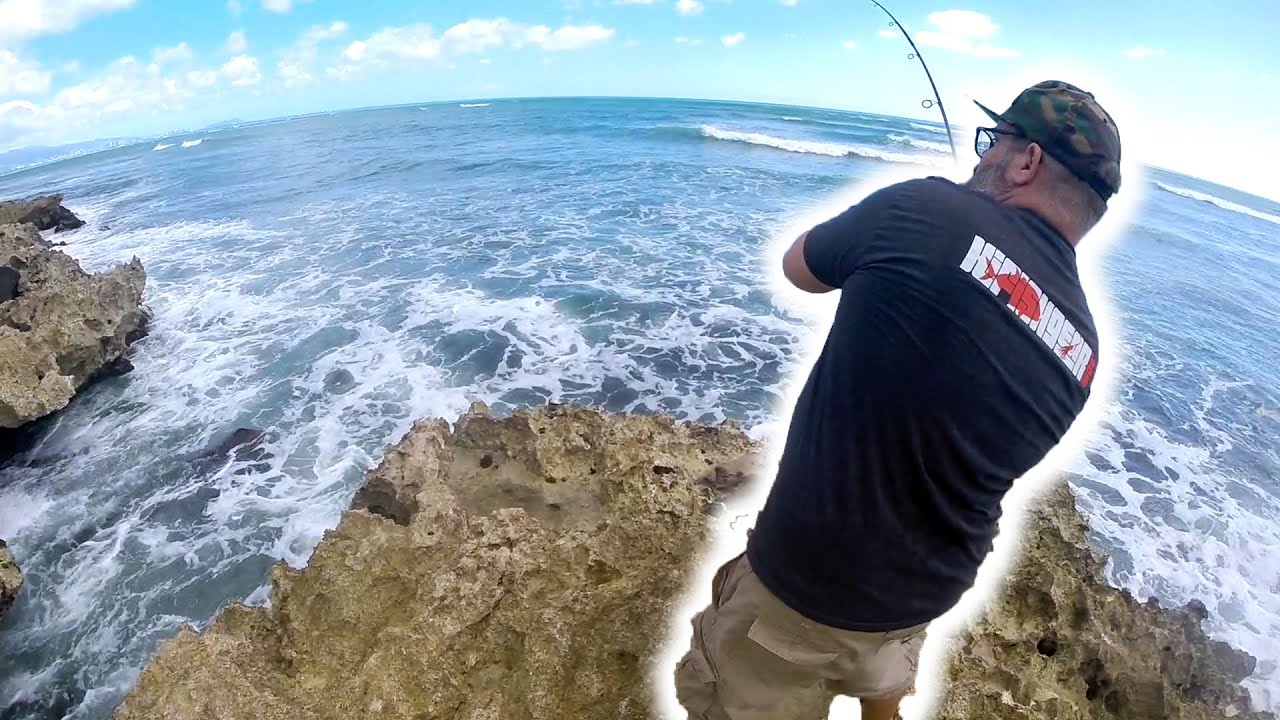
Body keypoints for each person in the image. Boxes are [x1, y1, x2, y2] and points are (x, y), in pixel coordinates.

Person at [672, 80, 1122, 720]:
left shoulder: (926, 211)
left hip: (806, 591)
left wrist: (934, 210)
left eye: (996, 142)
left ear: (1028, 162)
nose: (982, 156)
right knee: (880, 663)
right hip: (924, 593)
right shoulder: (1084, 350)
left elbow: (799, 267)